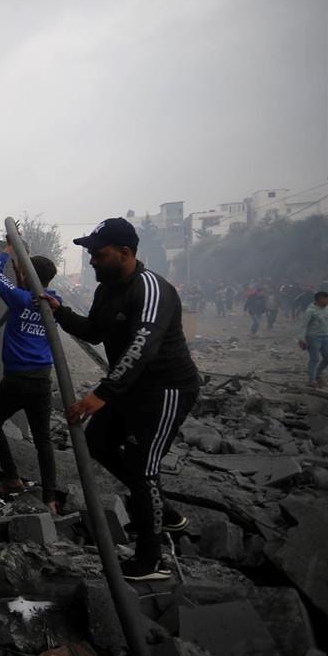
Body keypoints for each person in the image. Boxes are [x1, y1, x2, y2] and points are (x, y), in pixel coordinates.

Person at [44, 217, 199, 581]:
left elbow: (142, 346)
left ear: (125, 253)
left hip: (165, 390)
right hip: (129, 387)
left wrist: (101, 394)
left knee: (144, 471)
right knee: (98, 442)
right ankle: (164, 512)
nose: (92, 260)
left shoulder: (151, 289)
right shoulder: (107, 290)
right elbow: (94, 332)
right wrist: (60, 312)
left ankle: (150, 561)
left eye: (99, 254)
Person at [0, 240, 61, 513]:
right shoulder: (55, 303)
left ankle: (12, 478)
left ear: (27, 275)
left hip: (16, 379)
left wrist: (7, 252)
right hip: (42, 380)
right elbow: (31, 295)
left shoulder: (18, 298)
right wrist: (22, 276)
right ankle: (50, 499)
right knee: (43, 439)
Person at [299, 290, 328, 388]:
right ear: (320, 299)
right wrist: (301, 338)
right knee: (314, 359)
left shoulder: (327, 308)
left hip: (325, 337)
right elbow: (304, 326)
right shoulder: (310, 311)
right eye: (326, 299)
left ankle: (317, 373)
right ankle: (312, 380)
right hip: (313, 337)